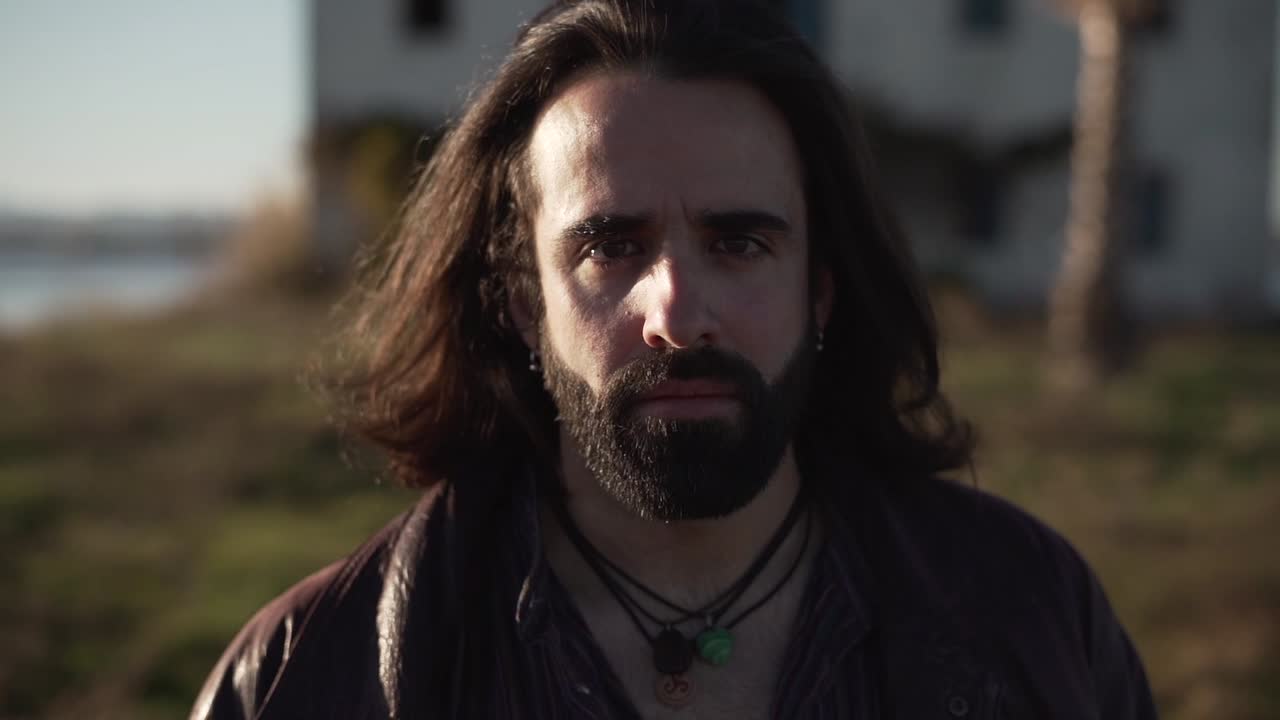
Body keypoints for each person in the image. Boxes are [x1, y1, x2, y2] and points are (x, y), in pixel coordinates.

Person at [191, 1, 1157, 718]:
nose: (678, 315)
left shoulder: (1032, 615)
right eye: (610, 246)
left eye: (739, 243)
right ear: (525, 304)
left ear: (820, 288)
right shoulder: (306, 673)